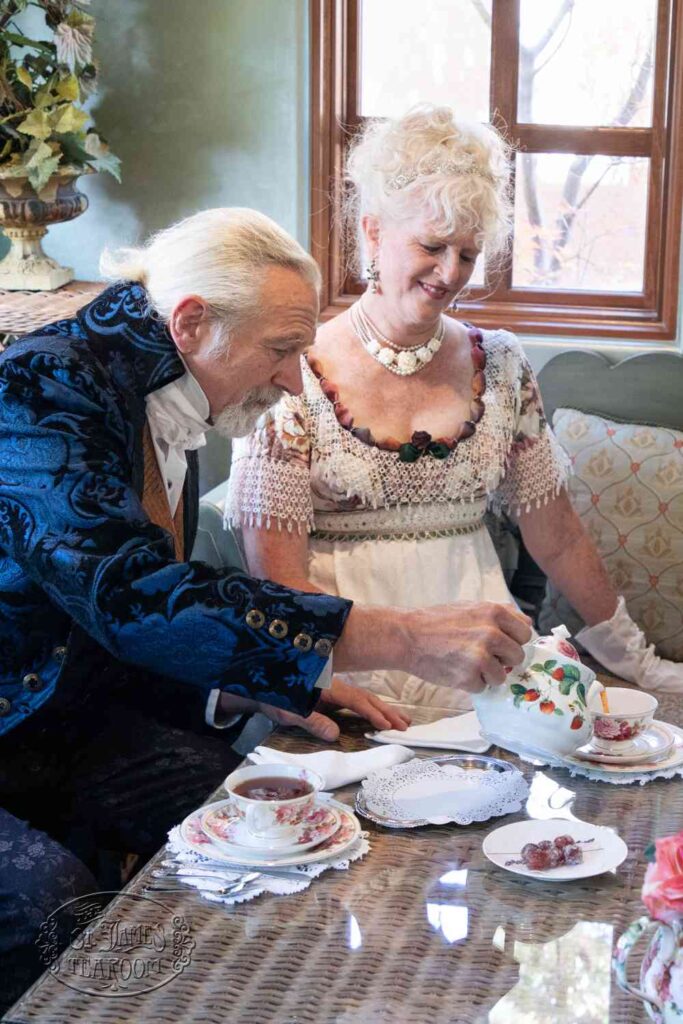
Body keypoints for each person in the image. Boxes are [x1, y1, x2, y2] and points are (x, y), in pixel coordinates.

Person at [0, 206, 531, 1011]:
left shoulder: (166, 384)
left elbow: (102, 631)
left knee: (278, 825)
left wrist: (250, 685)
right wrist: (398, 636)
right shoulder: (41, 386)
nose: (293, 381)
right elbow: (126, 593)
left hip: (69, 725)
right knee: (50, 902)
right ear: (190, 322)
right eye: (281, 351)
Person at [226, 106, 683, 713]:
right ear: (372, 232)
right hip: (349, 680)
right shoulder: (293, 370)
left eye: (467, 254)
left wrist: (638, 662)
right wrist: (314, 685)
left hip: (486, 675)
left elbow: (562, 539)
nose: (449, 273)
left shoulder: (500, 365)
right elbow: (276, 586)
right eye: (433, 246)